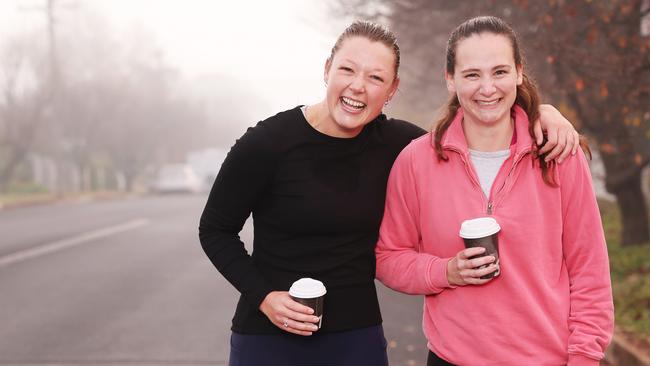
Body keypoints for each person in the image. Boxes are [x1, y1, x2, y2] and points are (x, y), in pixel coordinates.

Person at [199, 20, 581, 366]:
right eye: (347, 70)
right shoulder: (267, 143)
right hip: (267, 336)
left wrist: (541, 113)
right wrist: (264, 297)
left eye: (376, 78)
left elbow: (465, 135)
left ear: (392, 89)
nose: (357, 86)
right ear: (327, 69)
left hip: (356, 337)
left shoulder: (401, 145)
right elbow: (215, 230)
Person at [375, 16, 614, 366]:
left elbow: (590, 272)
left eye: (499, 71)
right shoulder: (417, 161)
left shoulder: (560, 154)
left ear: (519, 72)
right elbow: (388, 257)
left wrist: (585, 357)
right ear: (450, 80)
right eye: (472, 74)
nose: (487, 88)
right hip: (450, 359)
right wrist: (446, 272)